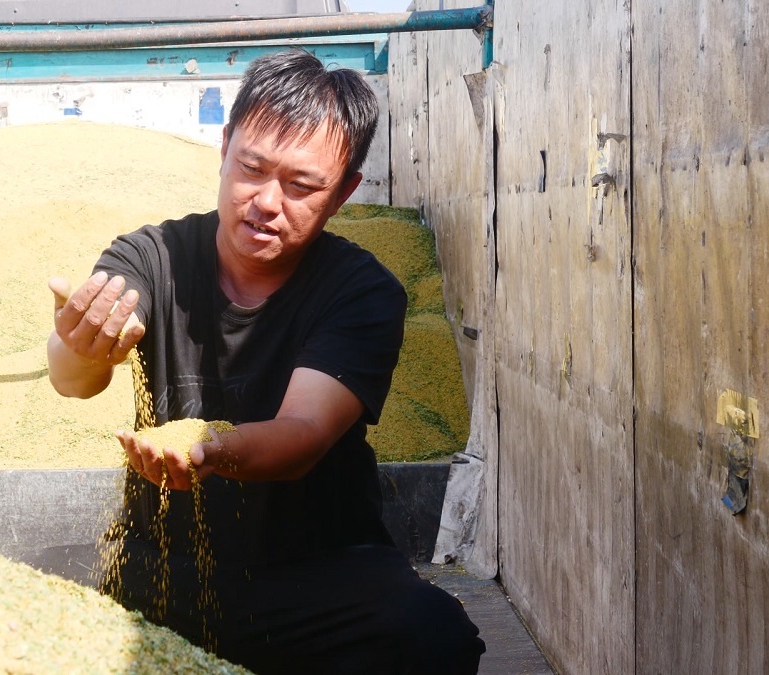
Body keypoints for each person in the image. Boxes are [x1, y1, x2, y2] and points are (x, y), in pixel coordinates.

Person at [46, 49, 484, 674]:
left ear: (344, 193)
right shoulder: (151, 255)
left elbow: (301, 434)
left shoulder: (361, 290)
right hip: (165, 569)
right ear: (224, 148)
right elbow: (74, 379)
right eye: (251, 168)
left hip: (317, 573)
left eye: (301, 186)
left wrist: (212, 450)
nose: (267, 201)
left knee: (433, 636)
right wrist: (79, 344)